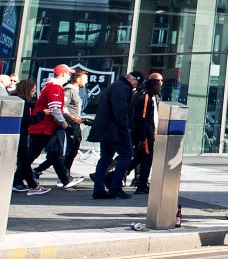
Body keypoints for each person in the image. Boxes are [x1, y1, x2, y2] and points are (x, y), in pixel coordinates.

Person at [22, 64, 83, 190]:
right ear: (63, 74)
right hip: (44, 127)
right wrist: (65, 125)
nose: (69, 76)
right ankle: (18, 179)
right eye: (68, 74)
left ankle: (64, 179)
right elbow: (55, 109)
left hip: (45, 126)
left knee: (52, 153)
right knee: (33, 154)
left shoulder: (51, 87)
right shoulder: (55, 87)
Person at [87, 71, 138, 199]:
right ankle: (115, 187)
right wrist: (125, 127)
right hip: (116, 129)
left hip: (106, 129)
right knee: (127, 154)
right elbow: (120, 110)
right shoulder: (122, 88)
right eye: (137, 82)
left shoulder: (115, 86)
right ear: (133, 80)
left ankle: (99, 190)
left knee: (105, 158)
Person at [34, 68, 87, 179]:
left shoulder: (67, 89)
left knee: (61, 152)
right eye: (84, 78)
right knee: (65, 151)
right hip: (67, 123)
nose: (86, 81)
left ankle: (63, 176)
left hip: (67, 123)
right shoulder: (65, 90)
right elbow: (59, 108)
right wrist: (68, 122)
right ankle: (64, 177)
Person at [10, 79, 50, 196]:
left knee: (24, 161)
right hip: (20, 135)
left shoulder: (16, 99)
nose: (34, 93)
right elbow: (28, 120)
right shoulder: (22, 104)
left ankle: (29, 184)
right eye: (32, 91)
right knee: (25, 161)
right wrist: (42, 114)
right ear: (27, 90)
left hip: (17, 134)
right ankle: (32, 185)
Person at [129, 75, 162, 194]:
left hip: (147, 133)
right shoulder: (146, 98)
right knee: (146, 159)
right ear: (153, 86)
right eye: (158, 86)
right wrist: (142, 138)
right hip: (145, 135)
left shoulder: (149, 98)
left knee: (140, 157)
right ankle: (142, 184)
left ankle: (116, 176)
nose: (160, 89)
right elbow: (142, 119)